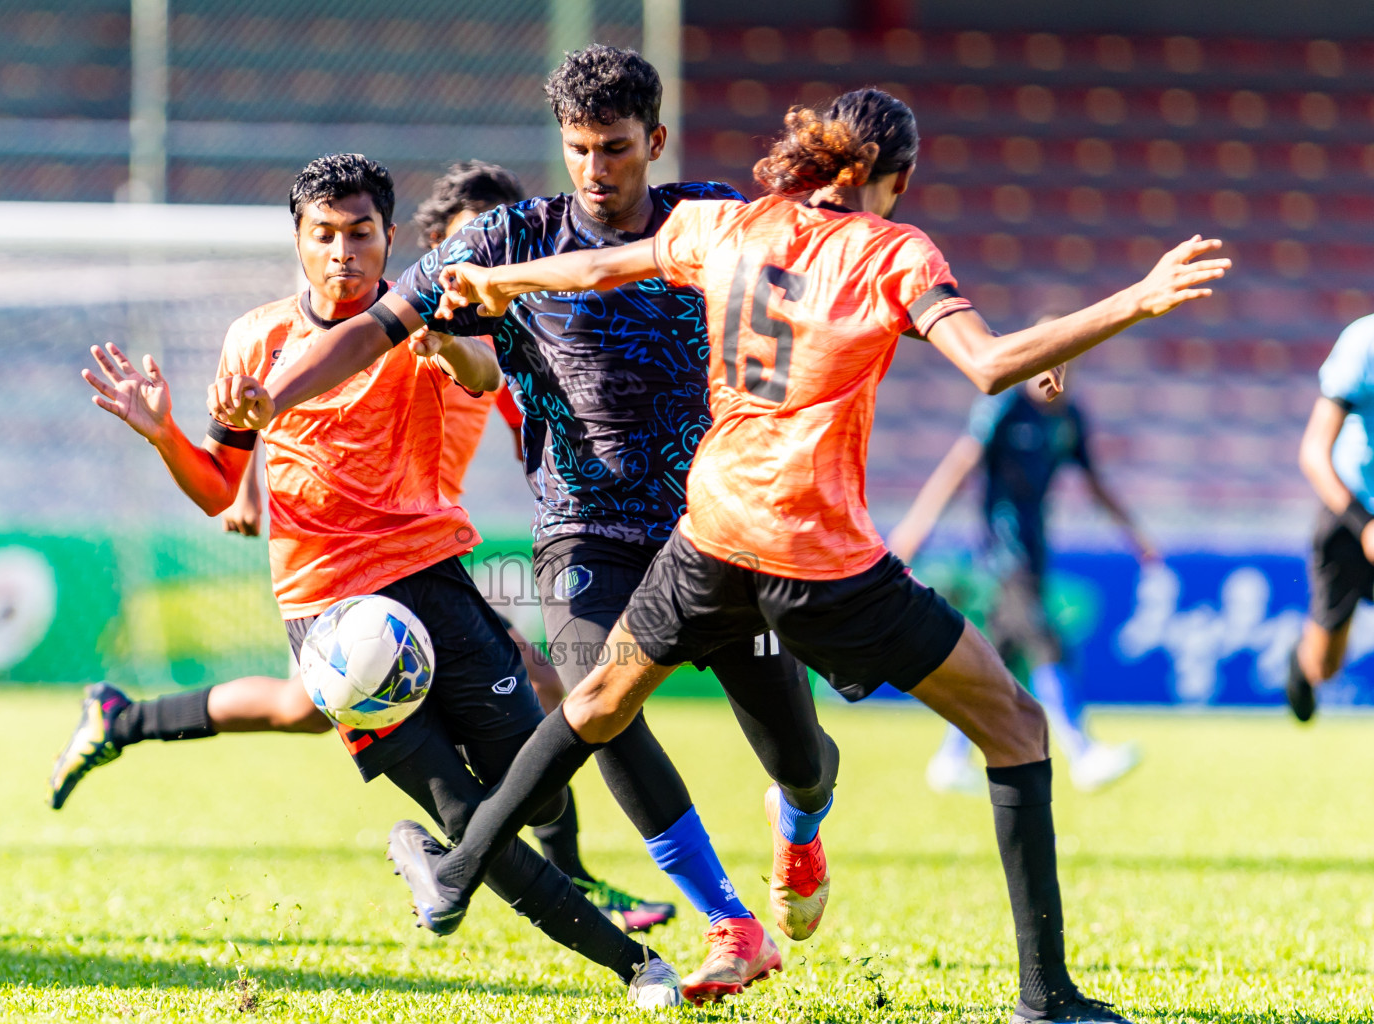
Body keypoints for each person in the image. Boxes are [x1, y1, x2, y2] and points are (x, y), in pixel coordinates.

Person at [353, 89, 1228, 1024]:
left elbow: (617, 263)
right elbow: (988, 362)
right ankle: (1046, 999)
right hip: (818, 555)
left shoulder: (734, 224)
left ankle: (456, 869)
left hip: (709, 534)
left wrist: (509, 284)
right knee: (1015, 728)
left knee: (599, 702)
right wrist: (1136, 300)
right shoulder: (895, 250)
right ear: (896, 179)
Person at [211, 47, 831, 1004]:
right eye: (578, 148)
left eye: (615, 148)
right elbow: (375, 323)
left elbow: (829, 279)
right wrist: (267, 400)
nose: (594, 168)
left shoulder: (712, 219)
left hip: (716, 520)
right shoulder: (504, 239)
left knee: (797, 751)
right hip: (582, 524)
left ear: (653, 143)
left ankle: (799, 827)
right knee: (597, 697)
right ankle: (729, 924)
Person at [69, 152, 682, 1009]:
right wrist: (166, 433)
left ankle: (451, 861)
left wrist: (449, 345)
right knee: (465, 813)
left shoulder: (414, 318)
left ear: (389, 236)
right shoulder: (257, 338)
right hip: (329, 621)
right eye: (324, 235)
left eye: (360, 233)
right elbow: (219, 486)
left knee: (520, 788)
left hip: (433, 582)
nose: (343, 252)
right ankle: (639, 970)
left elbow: (482, 376)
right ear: (299, 240)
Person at [889, 344, 1155, 794]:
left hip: (1035, 550)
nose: (1055, 374)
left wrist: (1135, 534)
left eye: (1066, 364)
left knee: (997, 662)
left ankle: (951, 758)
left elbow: (1093, 482)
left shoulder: (1067, 417)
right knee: (1046, 641)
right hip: (1002, 554)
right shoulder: (1003, 407)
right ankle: (1082, 751)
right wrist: (916, 528)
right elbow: (961, 465)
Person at [1285, 313, 1374, 722]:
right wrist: (1364, 524)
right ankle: (1303, 665)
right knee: (1326, 666)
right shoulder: (1363, 343)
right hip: (1350, 512)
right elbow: (1313, 452)